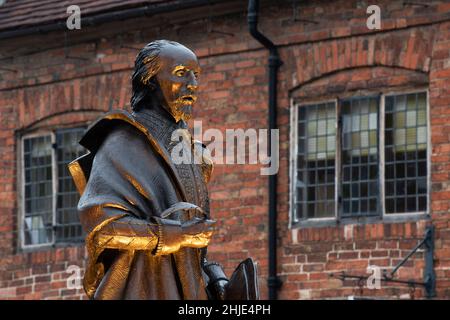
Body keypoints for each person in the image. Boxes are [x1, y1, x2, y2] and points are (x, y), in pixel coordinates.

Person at [69, 40, 229, 300]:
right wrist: (178, 235)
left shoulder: (195, 154)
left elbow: (195, 245)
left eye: (196, 75)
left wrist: (213, 276)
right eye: (180, 73)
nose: (193, 84)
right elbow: (104, 230)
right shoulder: (122, 142)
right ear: (150, 80)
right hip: (142, 287)